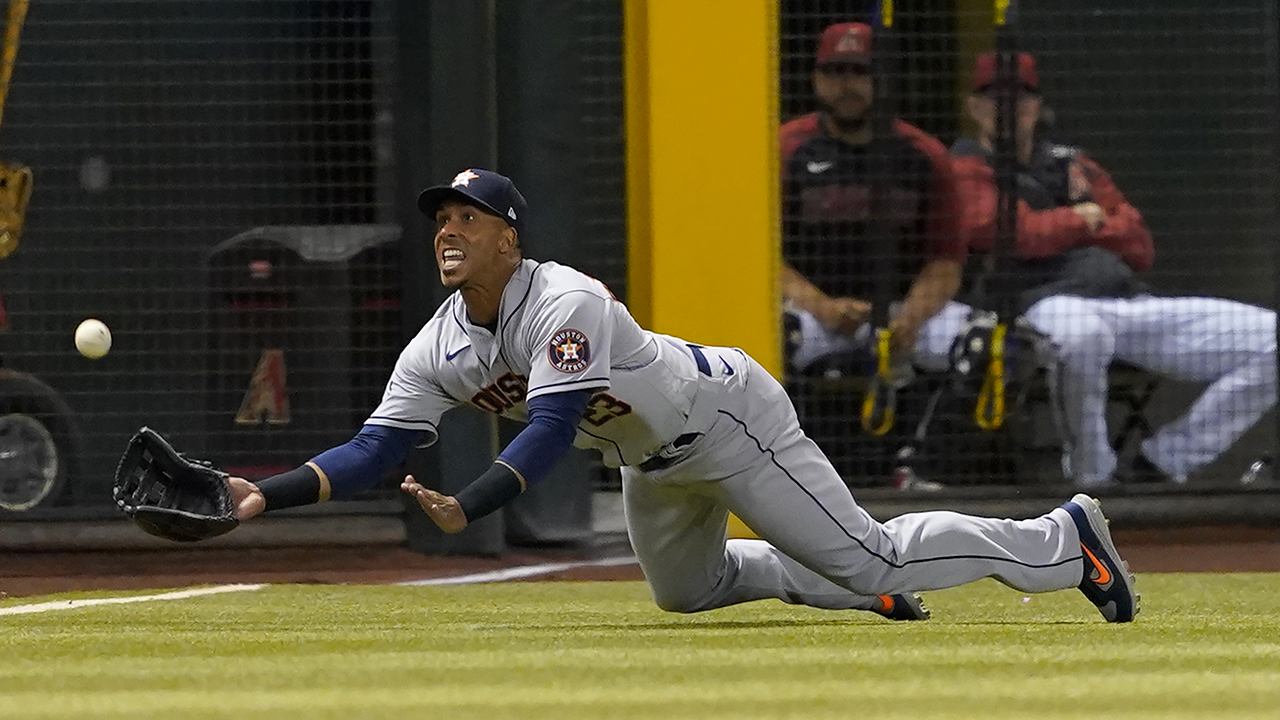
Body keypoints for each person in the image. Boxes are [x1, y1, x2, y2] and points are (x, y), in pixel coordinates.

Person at [220, 166, 1139, 623]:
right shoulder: (438, 344)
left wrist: (473, 503)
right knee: (689, 595)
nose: (448, 232)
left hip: (729, 422)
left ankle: (1062, 542)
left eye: (468, 218)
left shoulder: (564, 299)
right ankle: (845, 582)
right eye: (441, 221)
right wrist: (270, 492)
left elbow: (550, 428)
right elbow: (377, 449)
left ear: (509, 237)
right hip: (648, 463)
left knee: (878, 558)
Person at [950, 51, 1278, 487]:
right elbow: (1006, 233)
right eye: (996, 98)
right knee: (1084, 335)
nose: (1010, 108)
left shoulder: (1073, 163)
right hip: (1038, 306)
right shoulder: (965, 165)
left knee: (1272, 339)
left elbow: (1139, 244)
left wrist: (1067, 225)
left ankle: (1160, 464)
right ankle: (1091, 478)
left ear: (1037, 106)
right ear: (974, 107)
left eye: (1021, 97)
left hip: (1123, 300)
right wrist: (1081, 218)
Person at [779, 22, 970, 379]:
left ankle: (935, 436)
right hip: (812, 314)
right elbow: (759, 255)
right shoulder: (783, 149)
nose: (847, 84)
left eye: (861, 71)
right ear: (815, 80)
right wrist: (823, 307)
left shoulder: (924, 154)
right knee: (767, 340)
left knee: (982, 347)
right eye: (835, 71)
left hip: (906, 311)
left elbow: (945, 260)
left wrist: (910, 319)